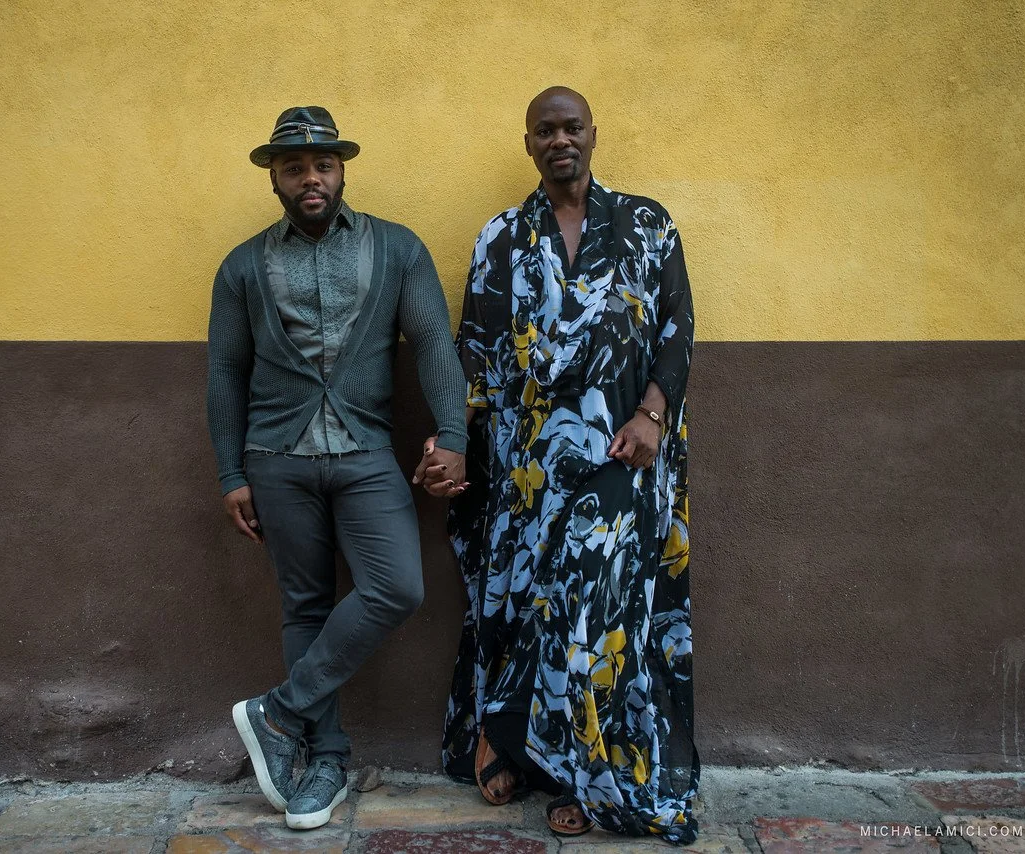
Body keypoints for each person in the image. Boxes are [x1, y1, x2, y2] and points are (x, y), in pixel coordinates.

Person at [419, 87, 698, 842]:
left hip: (621, 451)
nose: (559, 140)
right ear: (528, 145)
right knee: (528, 599)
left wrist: (650, 413)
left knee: (594, 609)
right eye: (544, 130)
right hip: (527, 463)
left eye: (570, 127)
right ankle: (510, 741)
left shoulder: (647, 225)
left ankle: (582, 766)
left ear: (593, 135)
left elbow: (676, 325)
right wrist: (452, 441)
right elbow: (472, 353)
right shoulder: (501, 237)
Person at [208, 106, 467, 831]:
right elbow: (226, 373)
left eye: (322, 163)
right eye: (294, 167)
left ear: (342, 169)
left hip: (364, 454)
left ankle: (276, 713)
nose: (310, 177)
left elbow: (432, 344)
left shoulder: (397, 249)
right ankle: (323, 761)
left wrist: (454, 435)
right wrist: (231, 472)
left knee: (395, 586)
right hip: (275, 459)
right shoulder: (242, 265)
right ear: (274, 179)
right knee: (304, 607)